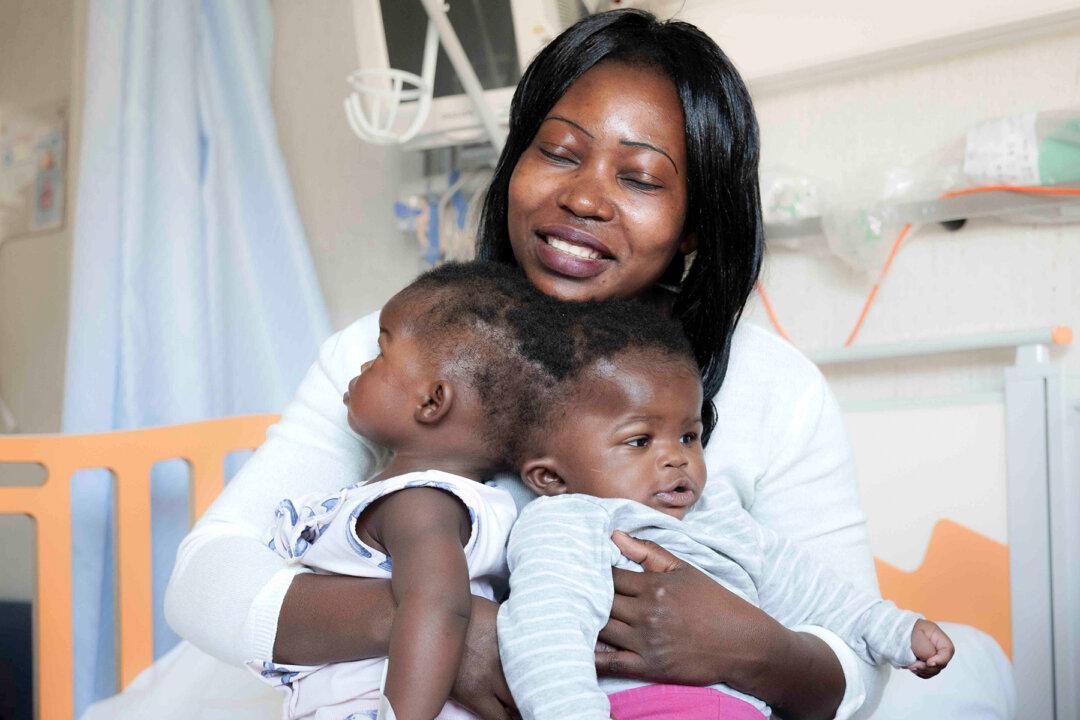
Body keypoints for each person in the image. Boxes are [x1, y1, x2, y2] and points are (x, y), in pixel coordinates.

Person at [165, 9, 1003, 720]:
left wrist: (751, 647)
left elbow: (857, 655)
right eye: (560, 152)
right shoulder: (398, 356)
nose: (585, 197)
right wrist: (445, 625)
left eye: (638, 177)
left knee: (972, 668)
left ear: (696, 226)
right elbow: (207, 578)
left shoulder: (774, 389)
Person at [497, 297, 954, 719]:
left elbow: (819, 595)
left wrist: (897, 630)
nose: (676, 457)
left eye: (689, 436)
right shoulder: (567, 521)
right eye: (639, 441)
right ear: (550, 478)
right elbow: (544, 639)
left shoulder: (723, 521)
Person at [253, 263, 551, 719]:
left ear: (432, 402)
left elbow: (439, 607)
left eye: (381, 352)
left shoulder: (419, 503)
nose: (364, 365)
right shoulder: (443, 499)